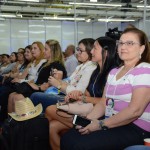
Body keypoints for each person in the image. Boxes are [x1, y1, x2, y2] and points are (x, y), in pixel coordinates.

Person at [61, 28, 150, 150]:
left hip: (136, 128)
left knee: (81, 145)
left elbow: (135, 111)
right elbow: (103, 103)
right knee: (68, 138)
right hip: (113, 121)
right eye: (121, 43)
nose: (123, 47)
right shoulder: (114, 72)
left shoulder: (144, 70)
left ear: (142, 48)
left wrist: (101, 124)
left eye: (130, 43)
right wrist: (88, 121)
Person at [45, 36, 120, 150]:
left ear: (106, 51)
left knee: (49, 109)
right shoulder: (96, 71)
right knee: (52, 127)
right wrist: (75, 95)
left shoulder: (112, 72)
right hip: (88, 109)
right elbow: (87, 93)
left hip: (99, 114)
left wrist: (81, 98)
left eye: (94, 48)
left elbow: (106, 101)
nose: (92, 51)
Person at [30, 38, 97, 111]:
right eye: (77, 49)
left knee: (35, 96)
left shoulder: (90, 68)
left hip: (74, 100)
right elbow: (69, 82)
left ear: (90, 51)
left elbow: (78, 93)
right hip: (67, 96)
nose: (77, 53)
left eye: (80, 50)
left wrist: (58, 85)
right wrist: (59, 81)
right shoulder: (80, 67)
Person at [8, 39, 67, 113]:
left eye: (46, 49)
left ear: (52, 51)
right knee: (12, 95)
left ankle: (22, 123)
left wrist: (38, 87)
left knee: (17, 97)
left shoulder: (57, 65)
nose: (43, 51)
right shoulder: (45, 64)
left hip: (43, 91)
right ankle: (11, 122)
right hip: (38, 87)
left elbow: (56, 84)